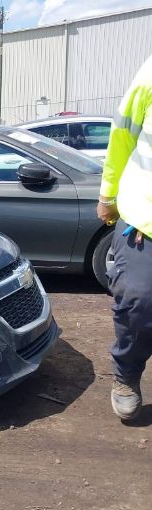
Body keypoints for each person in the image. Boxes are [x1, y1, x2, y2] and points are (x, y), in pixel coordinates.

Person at [96, 53, 152, 421]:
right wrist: (108, 193)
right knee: (138, 300)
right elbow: (122, 136)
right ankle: (126, 376)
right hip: (145, 215)